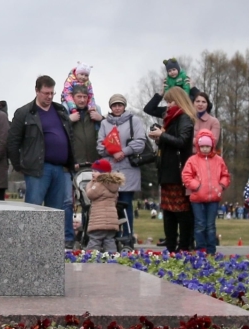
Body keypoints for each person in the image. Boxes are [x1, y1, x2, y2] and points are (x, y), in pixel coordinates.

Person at [7, 76, 77, 246]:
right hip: (38, 169)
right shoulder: (24, 113)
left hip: (60, 169)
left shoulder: (60, 111)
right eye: (46, 93)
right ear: (37, 91)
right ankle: (29, 244)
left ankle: (51, 246)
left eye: (52, 93)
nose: (49, 97)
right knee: (34, 209)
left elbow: (69, 136)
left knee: (56, 211)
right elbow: (13, 142)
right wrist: (19, 165)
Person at [145, 86, 199, 253]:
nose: (167, 105)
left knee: (181, 211)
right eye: (167, 101)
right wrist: (159, 138)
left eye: (170, 101)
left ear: (179, 100)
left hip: (179, 170)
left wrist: (162, 135)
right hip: (167, 168)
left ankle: (183, 246)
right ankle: (170, 246)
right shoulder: (169, 117)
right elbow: (149, 109)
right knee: (168, 210)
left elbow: (182, 141)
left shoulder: (184, 117)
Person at [97, 94, 148, 237]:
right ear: (111, 107)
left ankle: (127, 235)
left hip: (128, 168)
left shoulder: (134, 121)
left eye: (120, 105)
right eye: (114, 105)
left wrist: (123, 152)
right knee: (111, 204)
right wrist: (112, 152)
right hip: (111, 168)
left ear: (124, 106)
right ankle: (112, 236)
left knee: (126, 203)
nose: (117, 108)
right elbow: (100, 145)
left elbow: (140, 142)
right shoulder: (104, 123)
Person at [181, 130, 230, 252]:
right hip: (197, 198)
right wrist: (196, 186)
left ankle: (211, 249)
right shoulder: (193, 160)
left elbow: (225, 175)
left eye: (207, 146)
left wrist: (221, 186)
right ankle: (201, 248)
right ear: (198, 146)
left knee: (210, 226)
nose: (204, 149)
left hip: (213, 197)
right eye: (202, 146)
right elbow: (186, 175)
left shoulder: (218, 160)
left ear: (212, 146)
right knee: (199, 224)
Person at [84, 158, 123, 252]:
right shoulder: (113, 185)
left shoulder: (99, 184)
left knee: (95, 240)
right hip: (111, 221)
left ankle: (90, 259)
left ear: (103, 173)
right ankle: (112, 259)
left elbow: (90, 194)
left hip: (99, 220)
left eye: (96, 171)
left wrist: (90, 183)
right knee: (109, 240)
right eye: (92, 171)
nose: (93, 173)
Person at [66, 83, 102, 179]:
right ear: (73, 97)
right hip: (75, 164)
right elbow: (57, 131)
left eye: (85, 97)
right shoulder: (65, 112)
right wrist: (69, 120)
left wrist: (101, 119)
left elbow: (109, 132)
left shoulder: (94, 112)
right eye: (79, 97)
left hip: (95, 164)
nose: (82, 100)